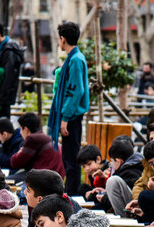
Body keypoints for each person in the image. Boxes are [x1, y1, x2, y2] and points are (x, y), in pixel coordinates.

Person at [47, 21, 90, 196]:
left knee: (71, 160)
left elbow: (75, 90)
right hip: (70, 116)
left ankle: (71, 197)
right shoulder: (74, 58)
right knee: (69, 159)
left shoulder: (76, 59)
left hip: (71, 117)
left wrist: (65, 118)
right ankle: (70, 194)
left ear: (62, 39)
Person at [9, 112, 65, 179]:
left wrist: (19, 152)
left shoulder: (32, 138)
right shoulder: (42, 137)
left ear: (26, 129)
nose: (20, 133)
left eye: (20, 129)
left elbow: (15, 163)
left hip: (44, 178)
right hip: (54, 176)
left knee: (6, 180)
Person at [103, 137, 145, 216]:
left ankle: (123, 220)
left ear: (119, 161)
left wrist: (102, 198)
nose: (111, 164)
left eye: (112, 161)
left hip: (136, 208)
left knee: (112, 181)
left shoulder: (130, 171)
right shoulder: (135, 165)